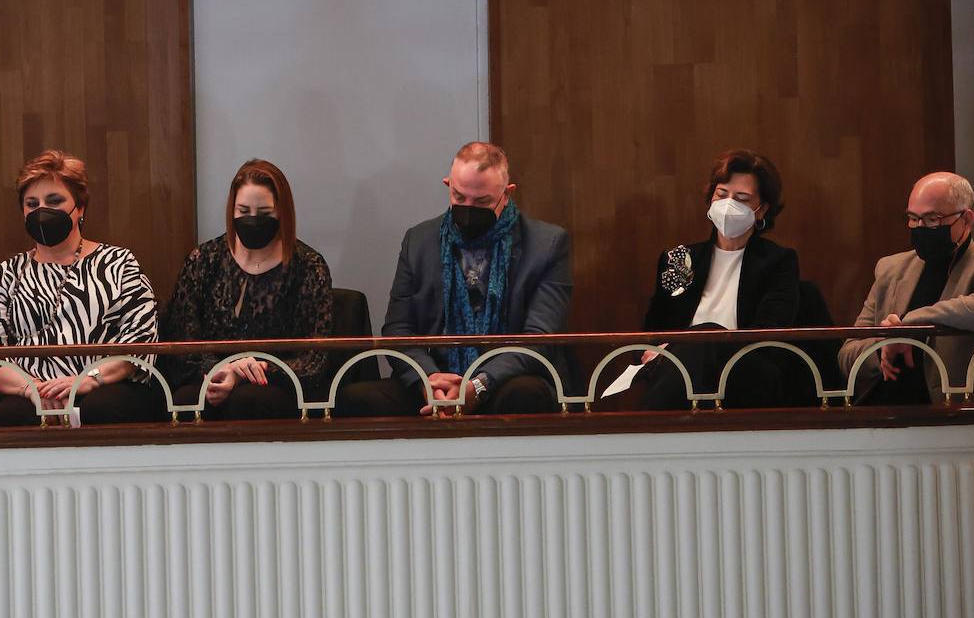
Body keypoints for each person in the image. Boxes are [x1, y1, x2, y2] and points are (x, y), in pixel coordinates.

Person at [335, 141, 572, 417]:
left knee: (525, 394)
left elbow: (539, 338)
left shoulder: (546, 244)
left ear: (507, 194)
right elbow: (398, 328)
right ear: (448, 184)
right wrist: (429, 381)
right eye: (459, 197)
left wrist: (479, 385)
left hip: (505, 379)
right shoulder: (419, 240)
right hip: (436, 375)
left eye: (482, 201)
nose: (468, 208)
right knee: (357, 398)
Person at [0, 150, 164, 425]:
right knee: (11, 416)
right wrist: (31, 389)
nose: (42, 210)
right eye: (32, 203)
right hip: (30, 392)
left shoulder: (119, 263)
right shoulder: (5, 275)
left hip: (105, 388)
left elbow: (141, 337)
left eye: (54, 201)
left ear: (80, 208)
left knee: (102, 410)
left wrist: (89, 379)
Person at [161, 159, 333, 419]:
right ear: (232, 210)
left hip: (276, 383)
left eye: (264, 214)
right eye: (243, 211)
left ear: (282, 213)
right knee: (187, 400)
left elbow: (313, 360)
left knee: (250, 400)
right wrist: (223, 371)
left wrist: (248, 372)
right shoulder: (204, 259)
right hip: (212, 376)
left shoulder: (308, 266)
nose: (252, 220)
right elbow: (181, 343)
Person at [631, 150, 800, 409]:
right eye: (722, 195)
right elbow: (655, 330)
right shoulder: (679, 258)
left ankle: (645, 432)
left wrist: (686, 345)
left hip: (745, 373)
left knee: (705, 337)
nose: (728, 204)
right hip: (677, 372)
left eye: (742, 199)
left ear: (761, 210)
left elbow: (768, 334)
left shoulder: (778, 262)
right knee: (693, 348)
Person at [839, 172, 974, 404]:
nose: (919, 227)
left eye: (932, 220)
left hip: (956, 418)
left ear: (966, 219)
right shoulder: (891, 269)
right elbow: (847, 356)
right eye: (913, 218)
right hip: (885, 413)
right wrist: (883, 346)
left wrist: (907, 323)